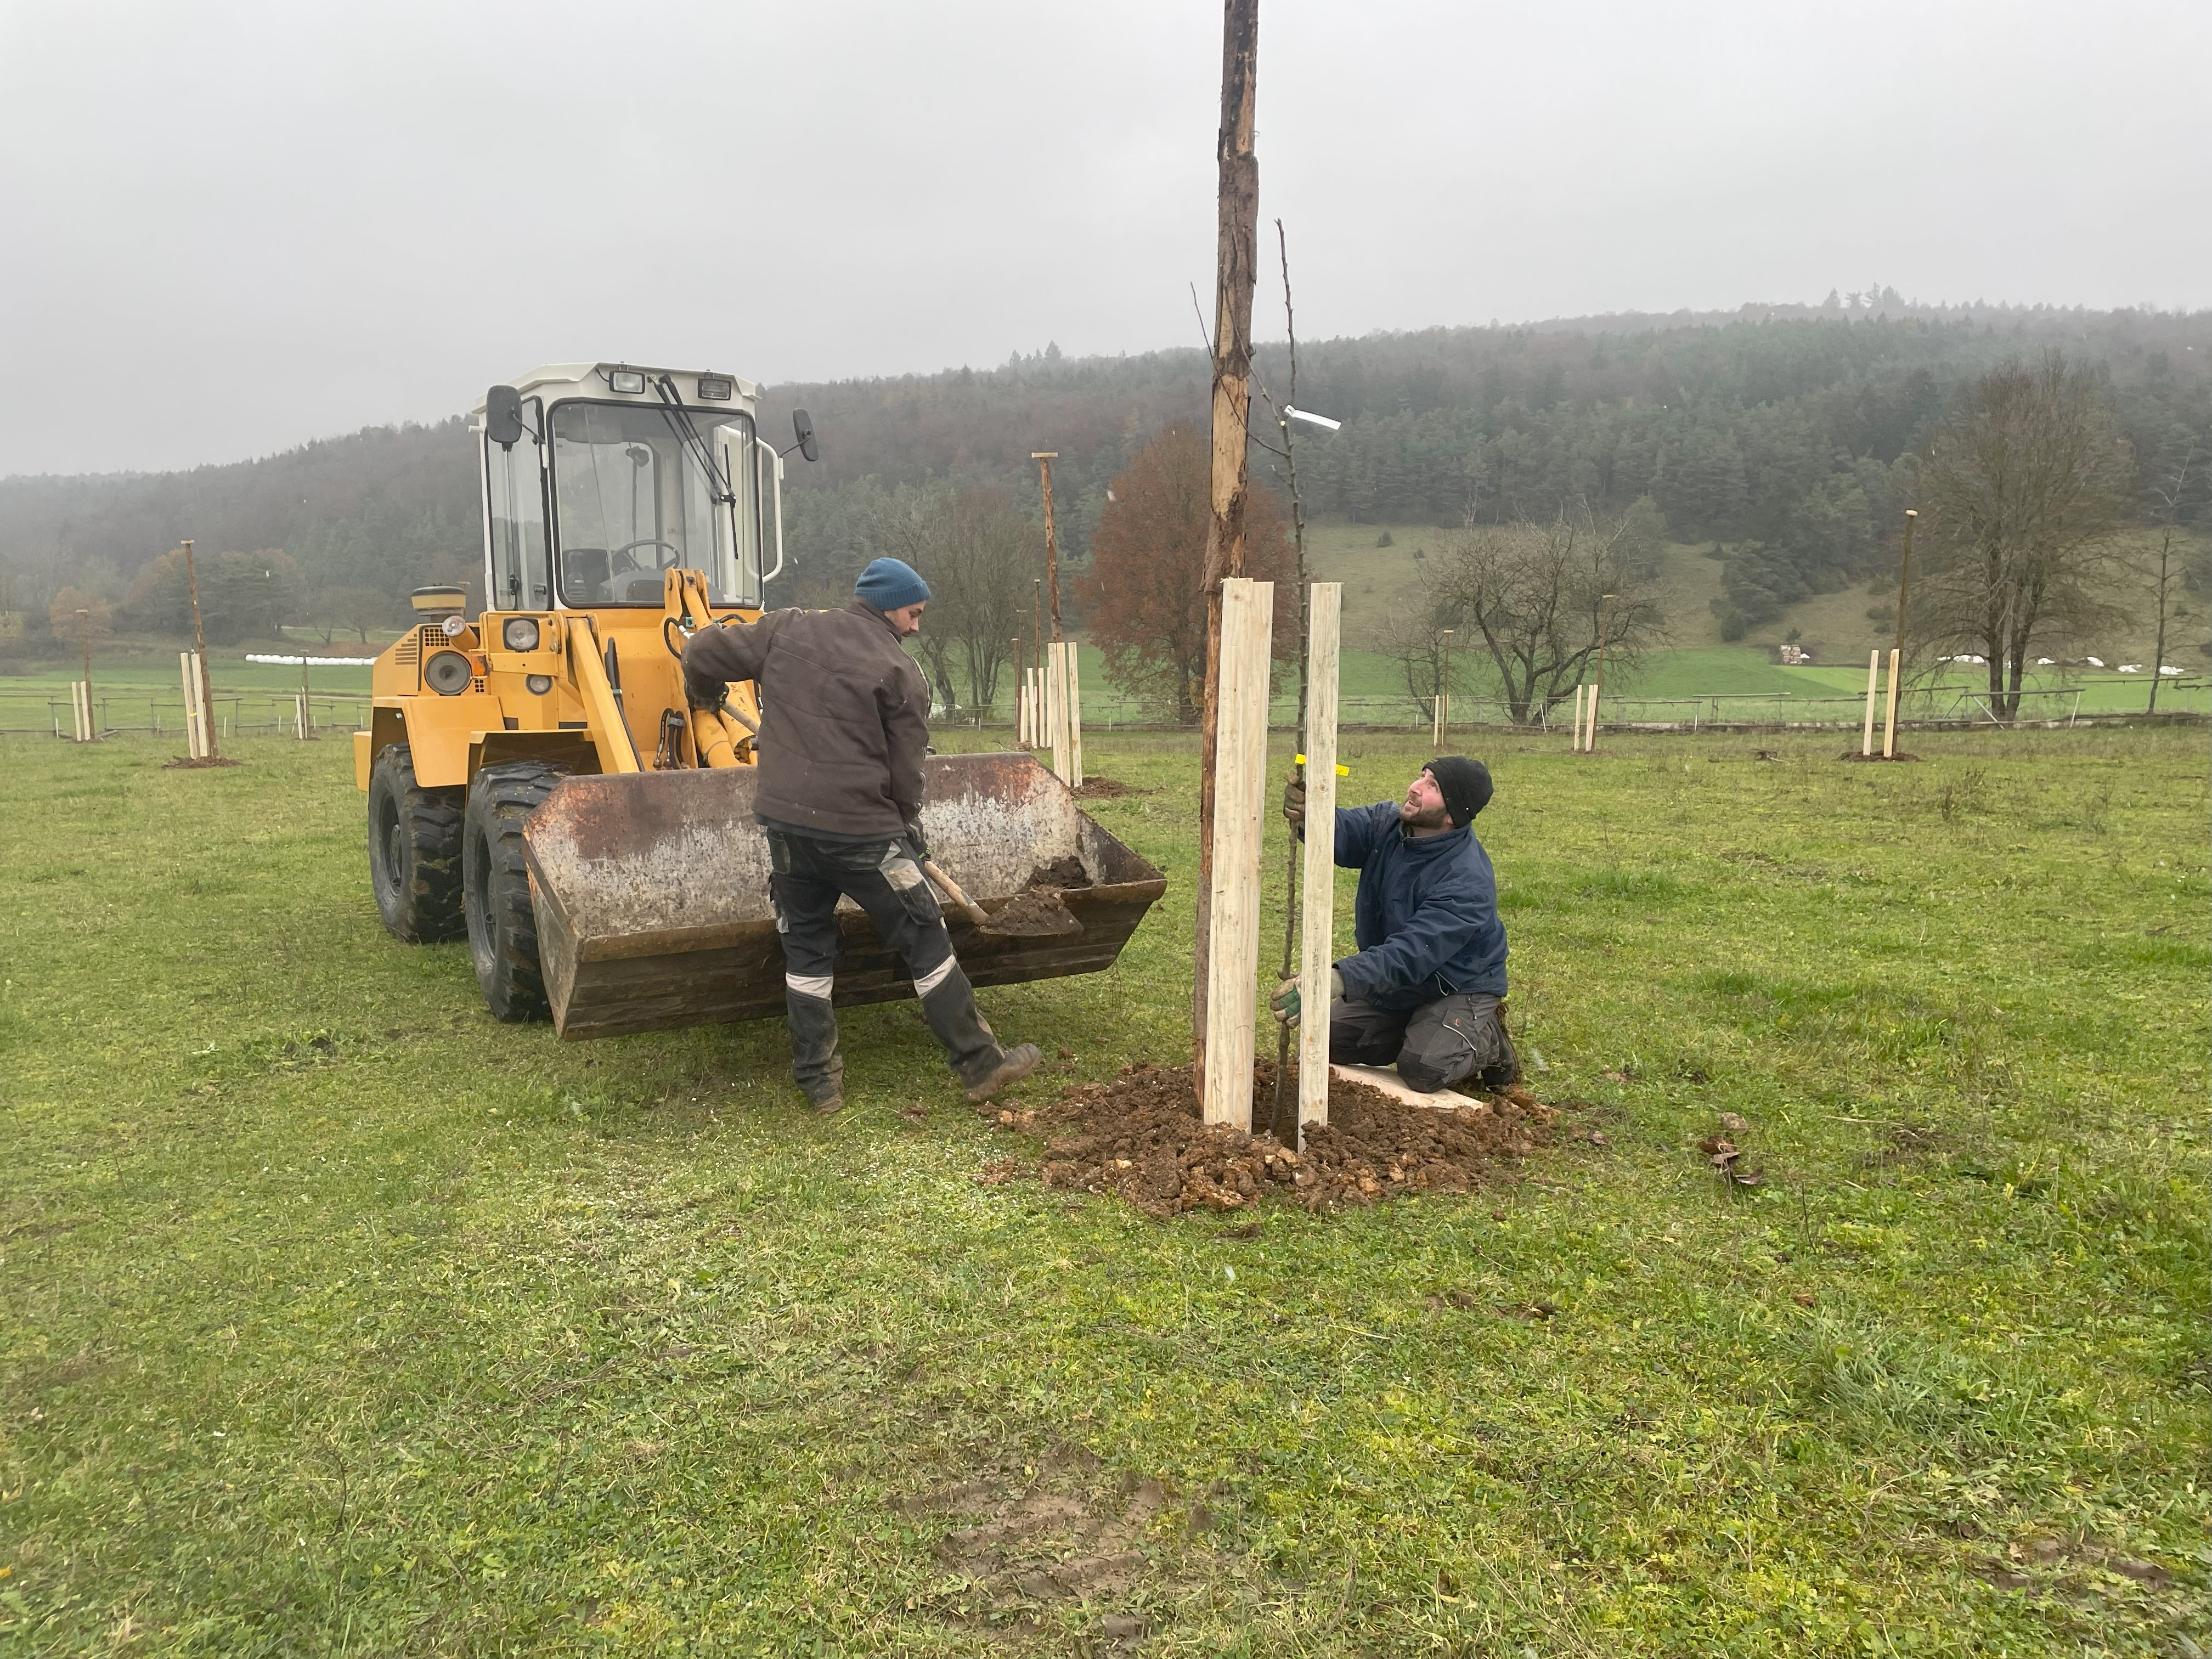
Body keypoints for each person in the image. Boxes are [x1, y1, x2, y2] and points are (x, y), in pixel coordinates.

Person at [680, 556, 1042, 1114]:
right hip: (863, 836)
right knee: (924, 937)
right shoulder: (902, 674)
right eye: (914, 613)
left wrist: (703, 692)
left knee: (805, 947)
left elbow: (702, 650)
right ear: (887, 605)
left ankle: (819, 1081)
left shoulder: (786, 627)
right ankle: (981, 1065)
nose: (918, 626)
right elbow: (905, 774)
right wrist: (905, 825)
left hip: (786, 831)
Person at [1273, 756, 1516, 1093]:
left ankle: (1487, 1039)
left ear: (1452, 816)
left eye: (1433, 787)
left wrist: (1339, 978)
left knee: (1424, 1068)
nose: (1415, 788)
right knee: (1327, 1042)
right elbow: (1343, 832)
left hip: (1456, 985)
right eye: (1422, 776)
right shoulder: (1387, 825)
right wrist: (1311, 814)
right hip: (1398, 984)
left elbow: (1412, 953)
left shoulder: (1466, 882)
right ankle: (1423, 1029)